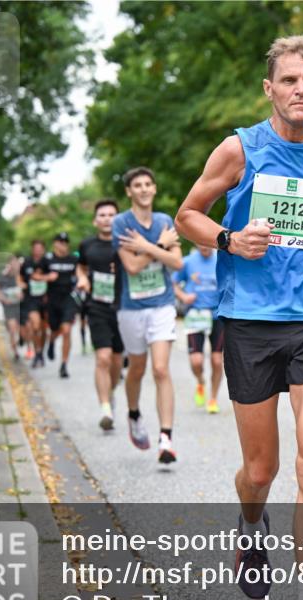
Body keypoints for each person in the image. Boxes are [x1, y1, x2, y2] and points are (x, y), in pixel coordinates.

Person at [175, 35, 303, 600]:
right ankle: (251, 525)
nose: (300, 90)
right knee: (261, 472)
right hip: (250, 322)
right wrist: (229, 239)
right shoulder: (240, 149)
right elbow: (187, 216)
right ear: (270, 88)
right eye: (289, 80)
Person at [113, 167, 183, 463]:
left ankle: (165, 437)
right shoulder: (121, 223)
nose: (143, 189)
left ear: (154, 189)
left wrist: (145, 248)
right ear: (129, 191)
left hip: (162, 304)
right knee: (137, 369)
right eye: (137, 185)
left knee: (160, 370)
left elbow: (177, 262)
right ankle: (133, 413)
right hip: (132, 308)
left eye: (148, 184)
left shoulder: (165, 221)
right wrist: (156, 246)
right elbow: (131, 267)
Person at [77, 199, 125, 431]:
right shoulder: (87, 245)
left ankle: (111, 392)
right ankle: (105, 408)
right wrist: (83, 278)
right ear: (96, 220)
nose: (107, 219)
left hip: (123, 308)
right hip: (96, 307)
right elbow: (81, 266)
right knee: (103, 358)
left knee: (116, 362)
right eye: (102, 215)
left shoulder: (125, 242)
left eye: (111, 214)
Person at [173, 243, 224, 414]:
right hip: (195, 314)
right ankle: (201, 381)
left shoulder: (222, 258)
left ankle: (213, 398)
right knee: (196, 361)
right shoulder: (187, 262)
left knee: (217, 361)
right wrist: (183, 296)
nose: (204, 245)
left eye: (207, 242)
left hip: (218, 315)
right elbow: (173, 283)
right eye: (200, 242)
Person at [34, 233, 79, 378]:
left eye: (65, 242)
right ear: (54, 244)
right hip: (52, 299)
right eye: (60, 242)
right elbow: (35, 275)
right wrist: (47, 277)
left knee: (66, 330)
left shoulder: (74, 259)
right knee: (54, 329)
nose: (63, 245)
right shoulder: (47, 259)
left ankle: (64, 365)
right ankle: (52, 341)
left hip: (69, 298)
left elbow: (82, 272)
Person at [19, 240, 49, 368]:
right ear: (32, 249)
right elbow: (19, 277)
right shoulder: (26, 262)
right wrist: (21, 285)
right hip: (31, 299)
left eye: (40, 248)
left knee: (43, 329)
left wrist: (42, 279)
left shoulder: (48, 262)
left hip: (45, 300)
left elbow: (54, 276)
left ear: (43, 249)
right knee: (35, 326)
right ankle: (36, 352)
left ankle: (41, 351)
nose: (37, 250)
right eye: (35, 248)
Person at [0, 257, 24, 361]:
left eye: (16, 263)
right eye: (12, 263)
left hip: (21, 306)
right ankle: (15, 351)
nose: (15, 265)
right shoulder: (3, 277)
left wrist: (22, 294)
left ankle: (24, 344)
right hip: (9, 306)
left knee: (23, 329)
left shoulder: (22, 276)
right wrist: (4, 299)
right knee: (12, 329)